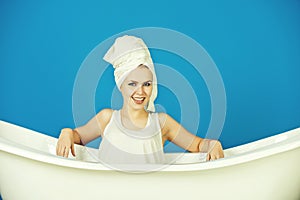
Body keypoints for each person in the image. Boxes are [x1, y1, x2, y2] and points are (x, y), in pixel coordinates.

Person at [56, 35, 224, 164]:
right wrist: (66, 133)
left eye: (147, 84)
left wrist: (212, 145)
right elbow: (77, 135)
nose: (140, 92)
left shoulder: (162, 123)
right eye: (132, 84)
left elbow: (197, 145)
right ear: (120, 85)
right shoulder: (107, 118)